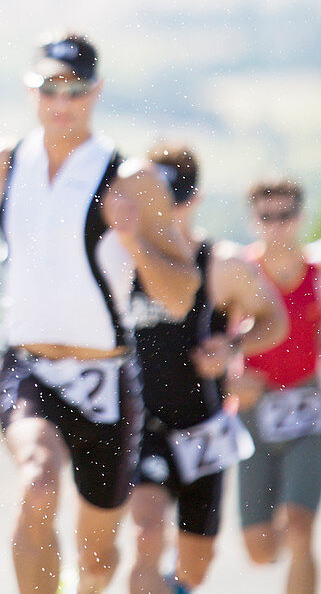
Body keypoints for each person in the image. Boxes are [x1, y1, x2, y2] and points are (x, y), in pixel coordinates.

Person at [0, 32, 200, 594]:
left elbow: (182, 294)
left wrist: (134, 238)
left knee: (96, 556)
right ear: (30, 89)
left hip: (106, 380)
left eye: (75, 90)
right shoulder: (1, 164)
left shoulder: (131, 178)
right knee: (38, 485)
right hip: (29, 368)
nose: (61, 103)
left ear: (97, 92)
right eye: (49, 89)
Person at [128, 144, 288, 594]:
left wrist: (231, 345)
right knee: (147, 531)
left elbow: (274, 320)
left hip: (204, 430)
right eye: (154, 204)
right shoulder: (123, 261)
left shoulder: (222, 264)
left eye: (173, 201)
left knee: (194, 569)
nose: (164, 214)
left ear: (193, 200)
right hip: (143, 428)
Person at [230, 177, 321, 594]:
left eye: (285, 216)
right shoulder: (240, 274)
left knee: (300, 529)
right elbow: (214, 341)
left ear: (299, 218)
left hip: (309, 407)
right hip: (255, 412)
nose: (277, 225)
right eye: (267, 217)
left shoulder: (317, 275)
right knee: (260, 549)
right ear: (254, 221)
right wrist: (232, 377)